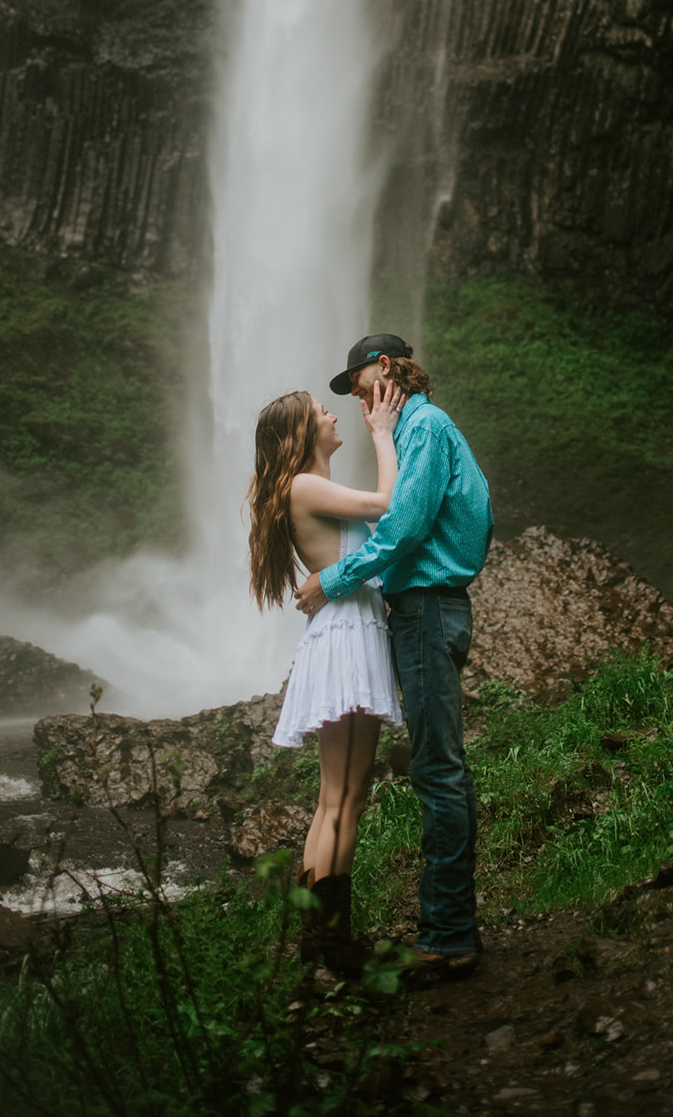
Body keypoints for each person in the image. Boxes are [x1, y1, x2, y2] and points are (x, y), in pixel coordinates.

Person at [295, 334, 494, 981]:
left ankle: (447, 938)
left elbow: (404, 526)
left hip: (430, 607)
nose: (354, 400)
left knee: (438, 769)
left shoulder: (424, 427)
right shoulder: (417, 430)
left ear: (385, 369)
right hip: (422, 608)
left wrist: (336, 579)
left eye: (356, 385)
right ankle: (442, 929)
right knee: (437, 767)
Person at [247, 382, 406, 968]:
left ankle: (324, 936)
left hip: (344, 632)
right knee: (340, 798)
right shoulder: (307, 485)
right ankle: (328, 944)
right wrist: (384, 434)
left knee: (342, 797)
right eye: (322, 412)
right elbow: (391, 503)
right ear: (300, 435)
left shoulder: (302, 487)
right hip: (346, 636)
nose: (334, 414)